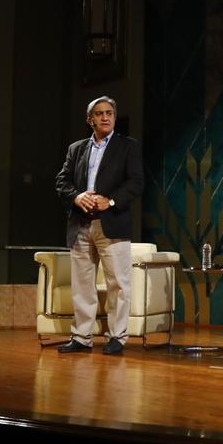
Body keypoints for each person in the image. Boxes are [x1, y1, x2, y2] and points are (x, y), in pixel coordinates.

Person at [54, 96, 144, 355]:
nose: (105, 117)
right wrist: (76, 196)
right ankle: (82, 337)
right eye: (99, 113)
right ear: (89, 119)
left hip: (112, 224)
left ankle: (117, 336)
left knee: (118, 283)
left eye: (109, 113)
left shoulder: (128, 147)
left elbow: (136, 182)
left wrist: (111, 201)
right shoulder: (76, 149)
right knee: (82, 284)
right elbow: (62, 181)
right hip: (81, 224)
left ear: (114, 117)